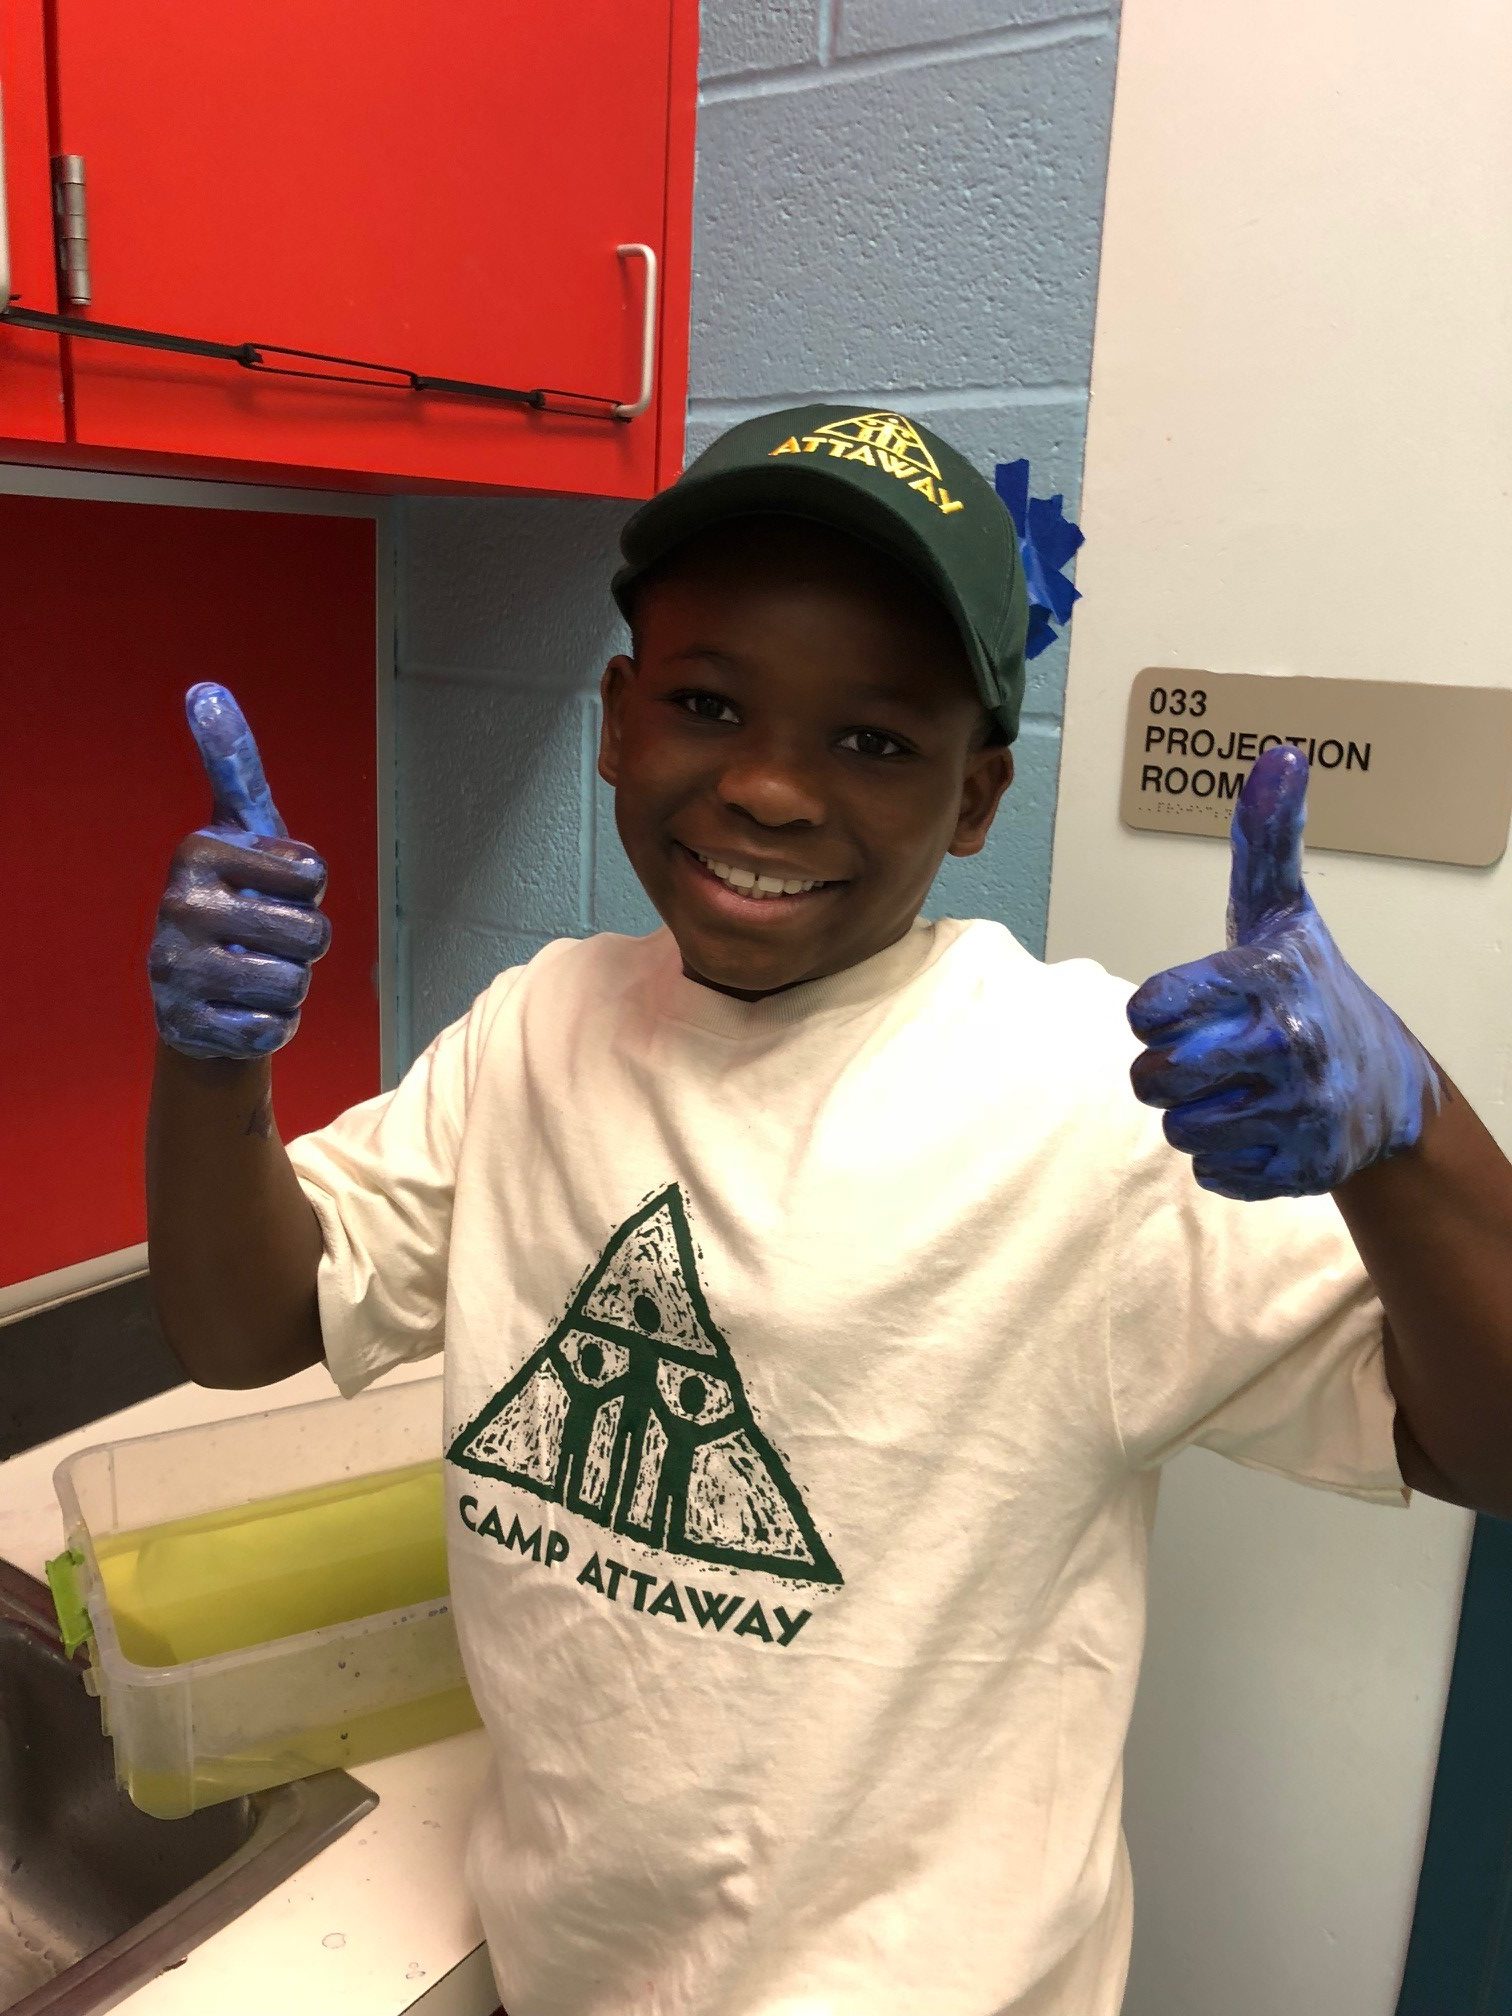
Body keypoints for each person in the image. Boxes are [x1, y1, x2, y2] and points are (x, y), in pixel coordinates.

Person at [145, 405, 1512, 2016]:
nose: (774, 791)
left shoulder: (1086, 1096)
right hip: (567, 1970)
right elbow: (242, 1329)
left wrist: (1404, 1137)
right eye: (709, 705)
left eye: (874, 741)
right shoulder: (537, 1029)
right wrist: (208, 1067)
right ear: (611, 718)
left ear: (979, 794)